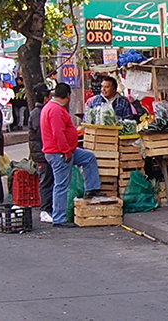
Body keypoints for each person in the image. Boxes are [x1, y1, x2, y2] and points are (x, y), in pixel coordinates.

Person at [41, 83, 105, 228]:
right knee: (61, 185)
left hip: (64, 150)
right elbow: (58, 133)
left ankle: (91, 189)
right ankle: (59, 218)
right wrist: (66, 151)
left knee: (88, 158)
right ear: (68, 95)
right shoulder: (55, 110)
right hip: (59, 153)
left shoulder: (52, 107)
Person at [28, 83, 54, 223]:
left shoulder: (39, 112)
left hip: (43, 152)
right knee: (46, 181)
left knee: (49, 180)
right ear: (45, 98)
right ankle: (45, 210)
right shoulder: (38, 114)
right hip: (42, 153)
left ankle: (48, 208)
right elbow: (42, 133)